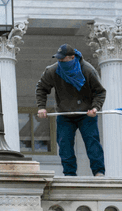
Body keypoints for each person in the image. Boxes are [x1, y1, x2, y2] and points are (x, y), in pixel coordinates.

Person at [36, 44, 108, 177]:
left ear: (72, 57)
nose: (60, 61)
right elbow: (41, 88)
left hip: (86, 113)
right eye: (58, 59)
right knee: (64, 144)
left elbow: (100, 92)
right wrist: (41, 107)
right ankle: (69, 174)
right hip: (65, 114)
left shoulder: (87, 70)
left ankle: (99, 172)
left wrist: (95, 107)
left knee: (92, 142)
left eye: (63, 59)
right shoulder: (53, 70)